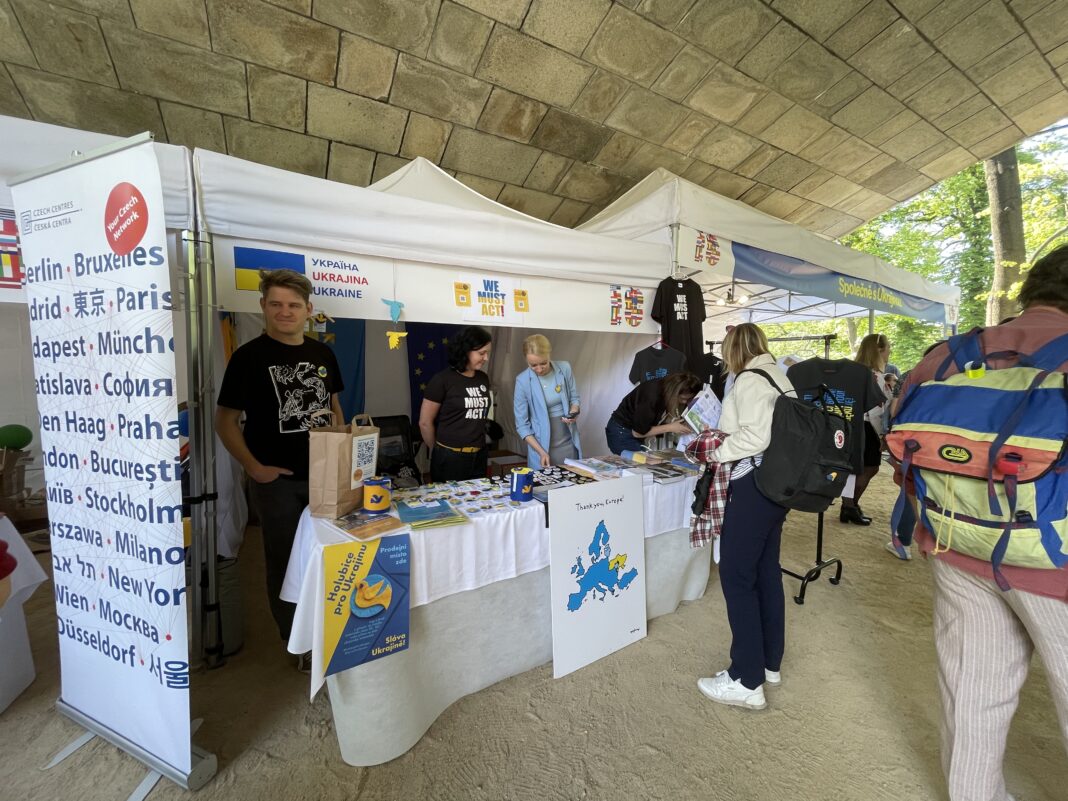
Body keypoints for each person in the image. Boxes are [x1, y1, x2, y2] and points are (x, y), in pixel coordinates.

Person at [891, 244, 1068, 801]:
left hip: (955, 546)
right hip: (1055, 564)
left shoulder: (947, 357)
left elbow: (903, 459)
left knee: (971, 699)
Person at [216, 269, 343, 646]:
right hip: (277, 484)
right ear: (263, 306)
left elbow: (335, 407)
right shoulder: (247, 358)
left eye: (293, 305)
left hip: (324, 477)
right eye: (276, 304)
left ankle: (328, 631)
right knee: (286, 563)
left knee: (329, 554)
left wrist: (340, 457)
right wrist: (254, 468)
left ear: (309, 309)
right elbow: (225, 421)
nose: (285, 311)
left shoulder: (323, 353)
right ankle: (296, 643)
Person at [694, 323, 794, 711]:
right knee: (765, 571)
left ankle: (746, 679)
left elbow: (756, 438)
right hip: (775, 487)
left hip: (753, 484)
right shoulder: (779, 375)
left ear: (733, 350)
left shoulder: (750, 380)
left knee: (736, 575)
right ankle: (768, 663)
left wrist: (715, 452)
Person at [418, 326, 493, 482]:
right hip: (450, 457)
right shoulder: (442, 380)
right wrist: (437, 450)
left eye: (487, 353)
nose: (486, 358)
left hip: (479, 455)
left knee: (478, 497)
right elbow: (425, 423)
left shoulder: (483, 378)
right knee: (448, 498)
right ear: (465, 351)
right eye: (481, 353)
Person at [839, 333, 892, 525]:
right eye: (888, 348)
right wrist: (882, 436)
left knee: (855, 468)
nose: (889, 352)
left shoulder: (851, 372)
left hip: (848, 424)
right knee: (869, 468)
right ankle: (849, 506)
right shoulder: (875, 376)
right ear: (879, 350)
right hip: (867, 427)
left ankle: (849, 505)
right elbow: (876, 411)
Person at [513, 334, 581, 469]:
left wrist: (573, 412)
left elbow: (575, 399)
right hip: (541, 448)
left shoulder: (564, 368)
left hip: (568, 444)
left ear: (549, 354)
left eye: (543, 363)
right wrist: (541, 452)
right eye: (533, 365)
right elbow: (522, 425)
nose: (539, 369)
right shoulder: (522, 381)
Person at [605, 372, 701, 455]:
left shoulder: (666, 386)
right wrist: (671, 427)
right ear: (675, 391)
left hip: (632, 430)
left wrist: (677, 423)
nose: (684, 402)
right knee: (639, 466)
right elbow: (637, 433)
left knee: (643, 463)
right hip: (622, 432)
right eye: (683, 398)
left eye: (688, 399)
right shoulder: (652, 396)